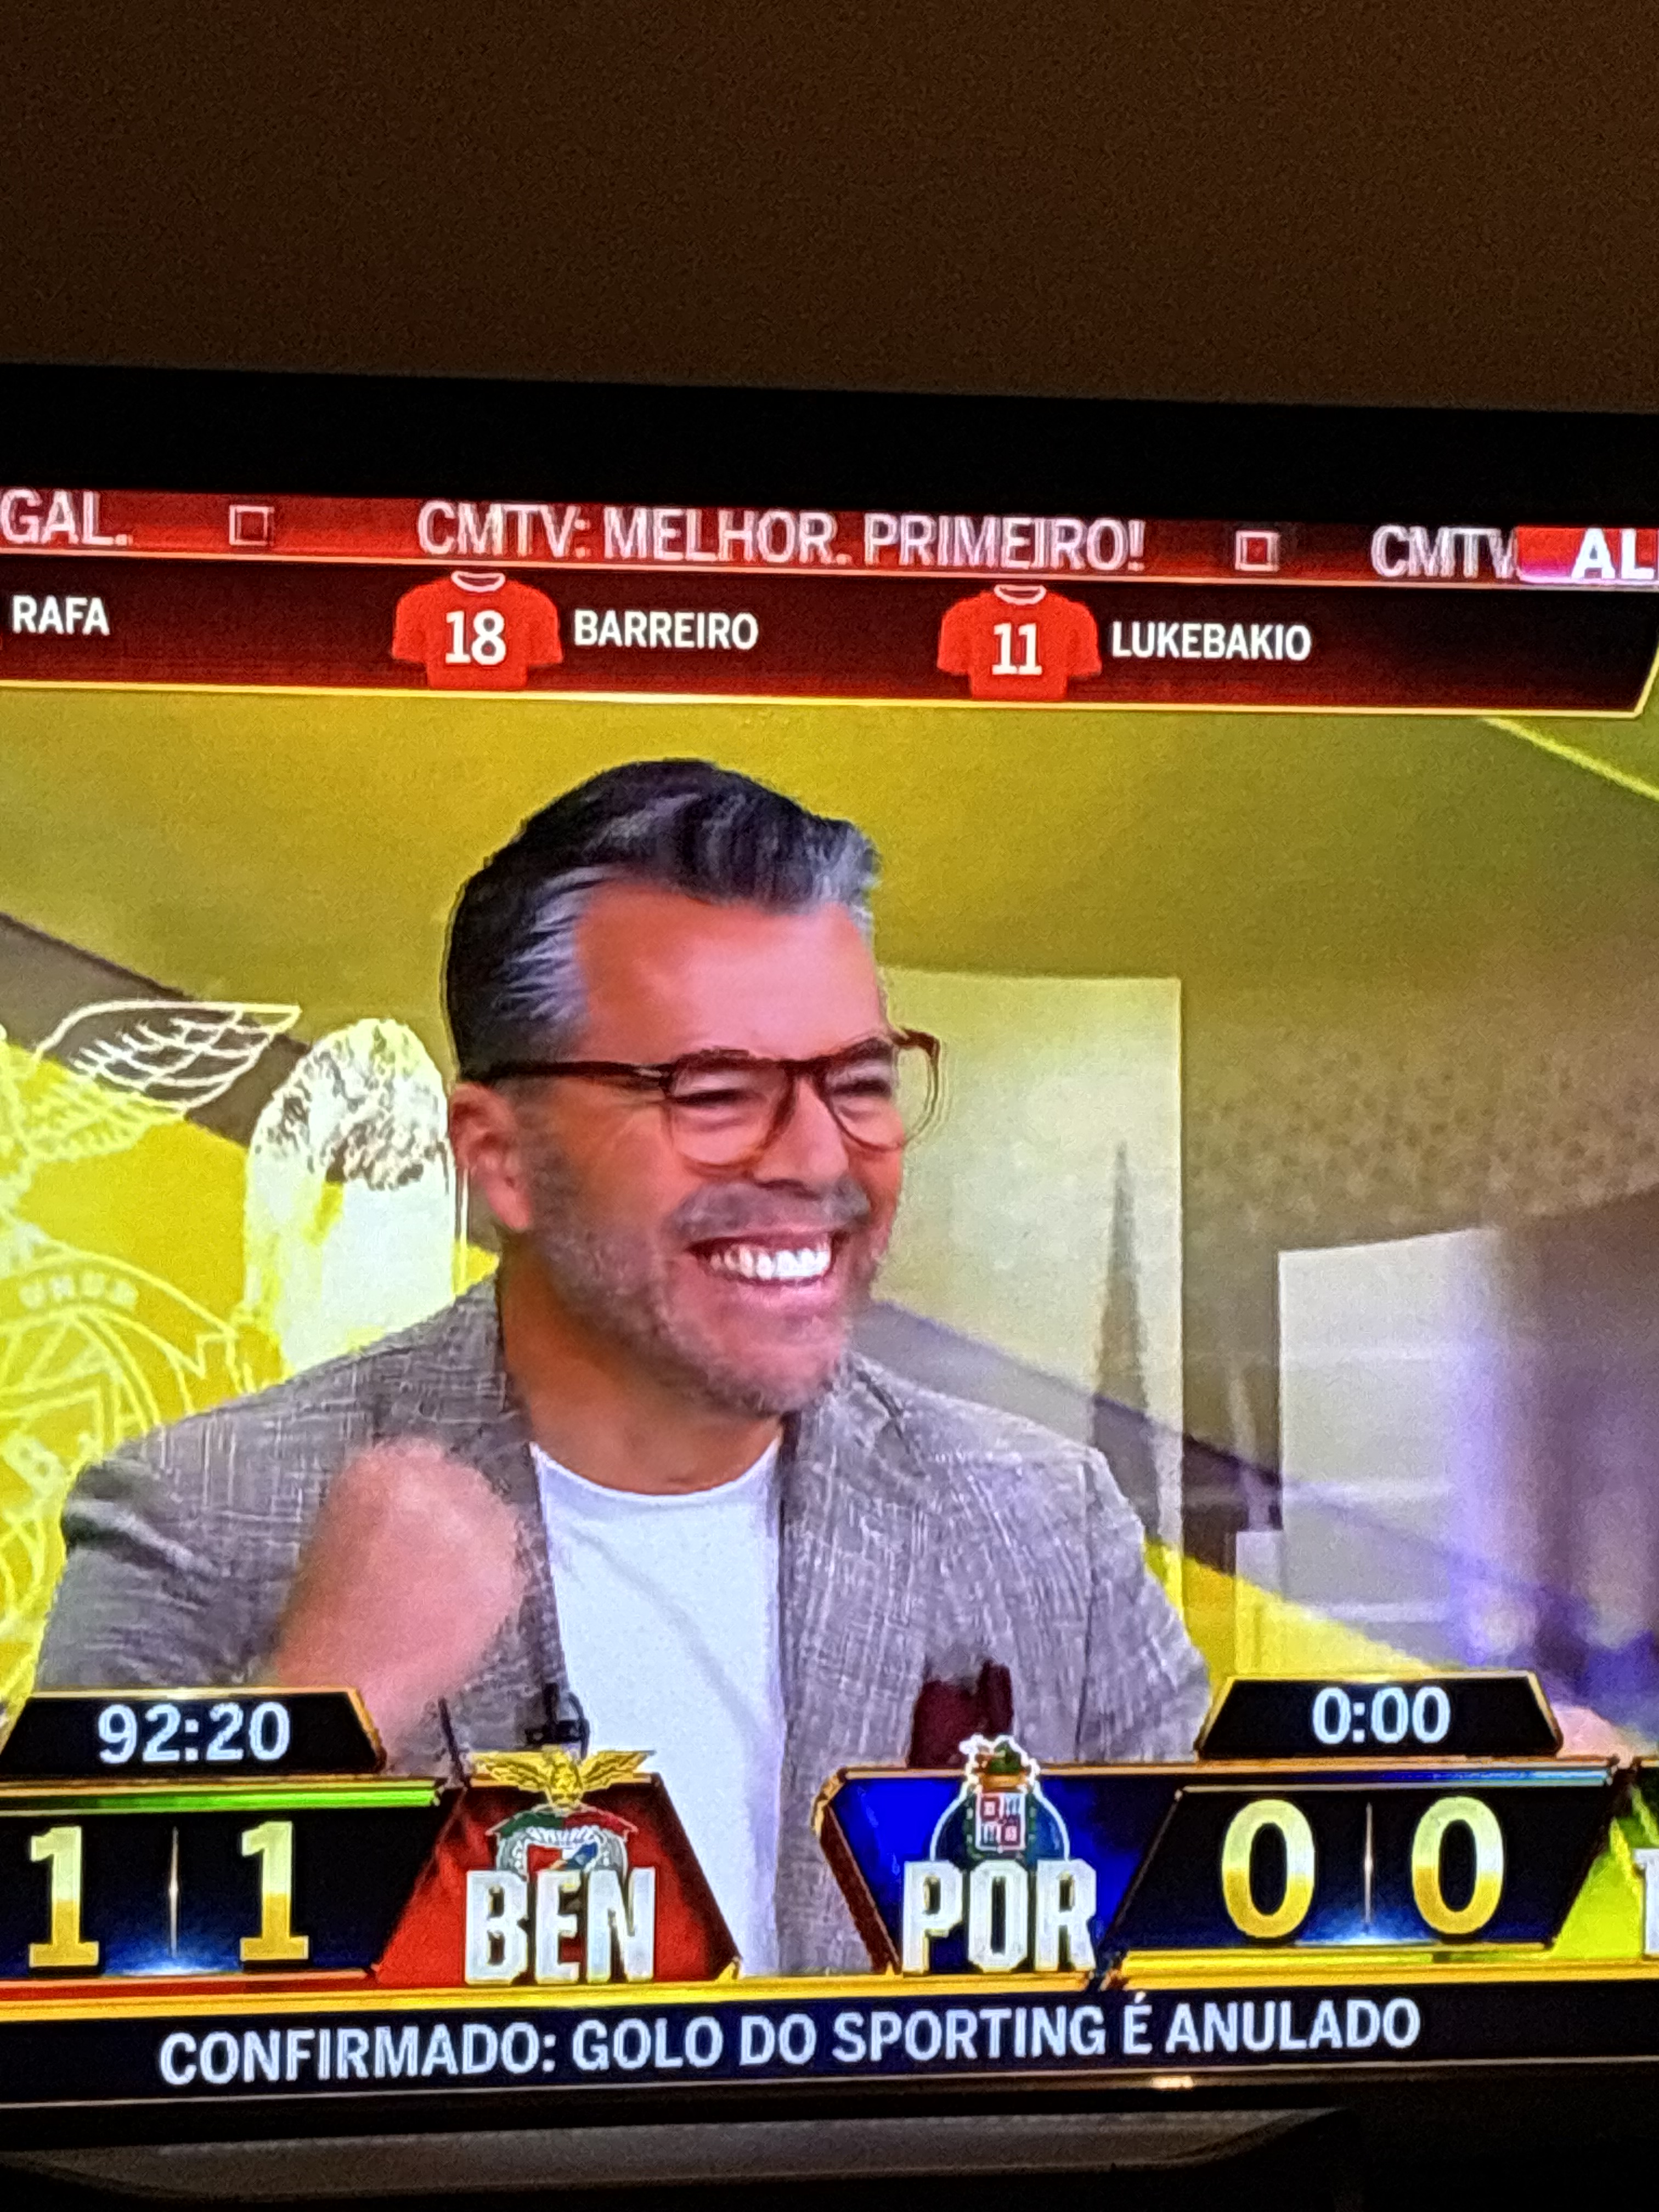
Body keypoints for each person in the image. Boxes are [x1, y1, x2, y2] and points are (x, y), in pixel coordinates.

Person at [37, 759, 1210, 1974]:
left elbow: (1229, 1987)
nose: (820, 1159)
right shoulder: (206, 1517)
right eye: (715, 1091)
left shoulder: (1039, 1526)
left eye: (859, 1083)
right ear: (501, 1157)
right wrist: (330, 1703)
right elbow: (60, 2012)